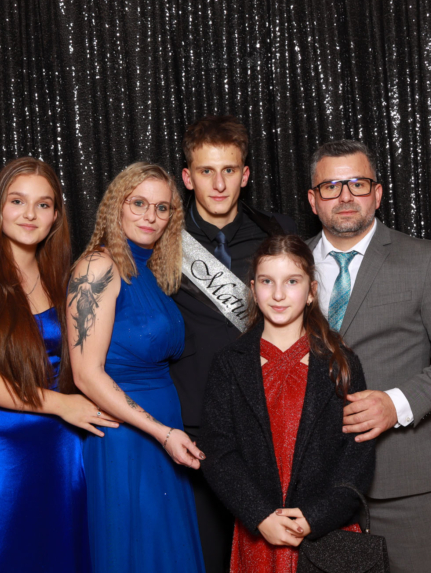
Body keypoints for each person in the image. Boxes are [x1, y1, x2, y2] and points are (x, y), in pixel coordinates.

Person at [305, 140, 431, 573]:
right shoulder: (289, 265)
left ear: (377, 193)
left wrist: (396, 403)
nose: (345, 196)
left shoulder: (424, 259)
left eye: (357, 184)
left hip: (403, 479)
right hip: (313, 485)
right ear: (313, 200)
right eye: (331, 186)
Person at [0, 157, 117, 572]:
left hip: (60, 449)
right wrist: (61, 404)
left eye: (43, 204)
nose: (30, 214)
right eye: (17, 201)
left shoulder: (64, 281)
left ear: (55, 216)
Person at [199, 234, 375, 573]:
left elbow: (358, 455)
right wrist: (259, 515)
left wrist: (317, 517)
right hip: (258, 533)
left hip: (326, 534)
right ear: (253, 289)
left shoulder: (341, 363)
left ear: (311, 291)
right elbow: (218, 451)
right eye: (267, 281)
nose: (278, 294)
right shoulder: (229, 364)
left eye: (292, 281)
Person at [170, 114, 296, 572]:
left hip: (269, 423)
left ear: (245, 175)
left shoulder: (278, 232)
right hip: (194, 426)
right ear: (188, 178)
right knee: (204, 557)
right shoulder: (163, 240)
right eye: (206, 171)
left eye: (228, 170)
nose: (219, 184)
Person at [69, 162, 206, 573]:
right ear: (117, 206)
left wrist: (168, 432)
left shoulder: (148, 271)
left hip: (164, 428)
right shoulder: (97, 267)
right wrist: (162, 433)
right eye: (139, 203)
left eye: (162, 208)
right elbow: (85, 374)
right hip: (127, 436)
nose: (150, 216)